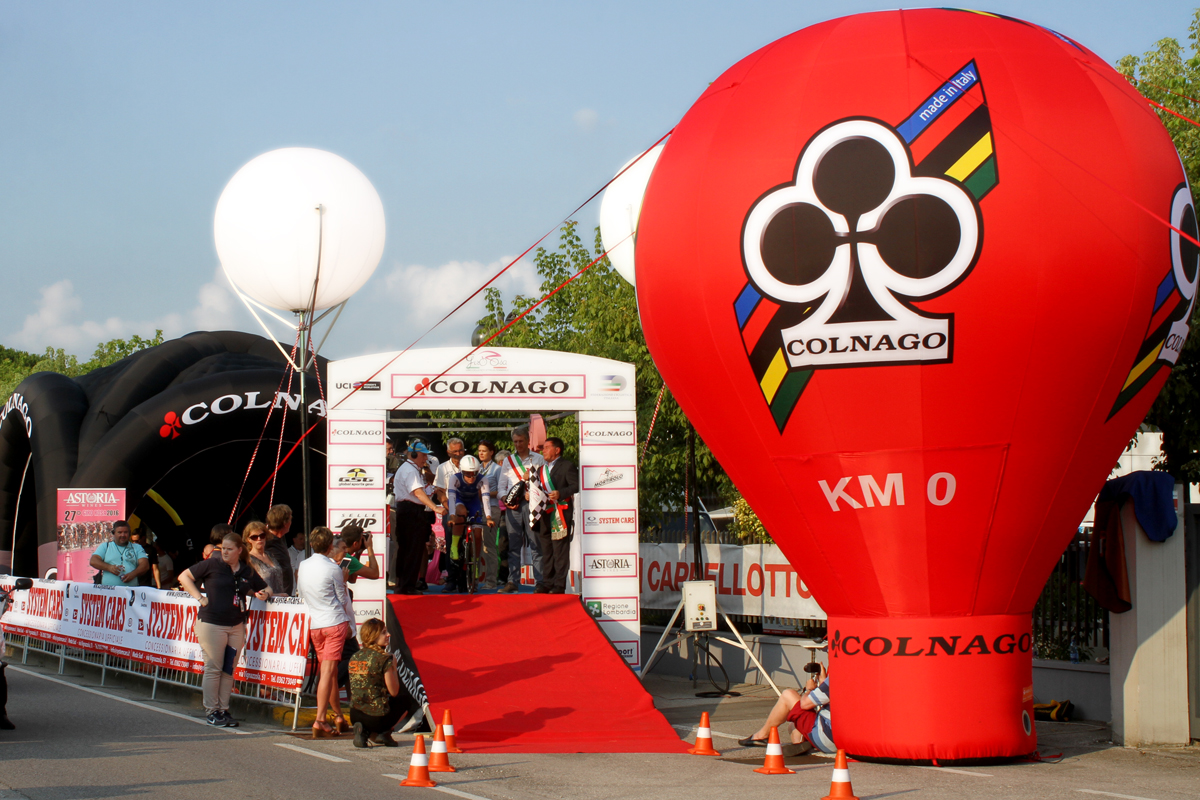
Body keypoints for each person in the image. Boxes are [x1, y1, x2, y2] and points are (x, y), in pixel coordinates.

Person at [177, 531, 271, 727]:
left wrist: (265, 593)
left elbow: (264, 587)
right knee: (214, 667)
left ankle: (223, 709)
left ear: (239, 550)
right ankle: (212, 710)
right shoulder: (212, 564)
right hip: (212, 623)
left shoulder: (245, 570)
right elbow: (184, 576)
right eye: (223, 549)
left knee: (229, 669)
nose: (225, 552)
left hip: (236, 624)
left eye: (229, 549)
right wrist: (200, 598)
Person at [297, 526, 355, 738]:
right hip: (333, 622)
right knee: (328, 673)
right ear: (330, 546)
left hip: (316, 624)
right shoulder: (333, 568)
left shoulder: (303, 565)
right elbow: (342, 599)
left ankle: (338, 716)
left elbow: (301, 593)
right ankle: (320, 719)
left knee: (329, 673)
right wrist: (349, 623)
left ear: (312, 544)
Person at [738, 663, 833, 752]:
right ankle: (801, 744)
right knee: (793, 725)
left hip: (827, 737)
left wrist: (809, 690)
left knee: (788, 695)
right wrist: (823, 683)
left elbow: (805, 704)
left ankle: (761, 736)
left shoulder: (834, 679)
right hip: (840, 739)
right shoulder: (840, 678)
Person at [391, 443, 445, 595]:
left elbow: (422, 491)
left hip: (410, 510)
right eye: (424, 455)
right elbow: (418, 493)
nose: (426, 458)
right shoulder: (410, 470)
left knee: (410, 549)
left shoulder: (412, 469)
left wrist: (433, 488)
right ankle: (407, 586)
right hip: (411, 511)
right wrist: (435, 507)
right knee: (411, 550)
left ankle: (404, 584)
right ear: (414, 455)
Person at [497, 426, 545, 593]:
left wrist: (534, 493)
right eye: (515, 442)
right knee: (513, 545)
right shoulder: (508, 461)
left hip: (533, 506)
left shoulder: (539, 459)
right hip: (514, 507)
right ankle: (512, 582)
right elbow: (501, 487)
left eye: (521, 441)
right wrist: (506, 500)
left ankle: (540, 582)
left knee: (536, 544)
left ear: (528, 441)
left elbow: (544, 484)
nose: (518, 444)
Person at [347, 617, 404, 747]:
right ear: (373, 636)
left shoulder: (355, 656)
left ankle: (364, 732)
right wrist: (394, 666)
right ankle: (384, 732)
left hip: (355, 714)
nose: (388, 635)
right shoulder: (383, 659)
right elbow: (394, 691)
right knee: (405, 699)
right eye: (384, 632)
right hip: (376, 717)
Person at [533, 437, 579, 594]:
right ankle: (547, 582)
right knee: (546, 550)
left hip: (561, 512)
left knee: (560, 550)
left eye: (547, 447)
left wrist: (561, 493)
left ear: (557, 450)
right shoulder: (541, 470)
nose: (543, 451)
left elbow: (576, 485)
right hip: (545, 512)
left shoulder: (567, 466)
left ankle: (559, 585)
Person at [444, 454, 494, 593]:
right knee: (461, 512)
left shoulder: (483, 479)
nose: (471, 477)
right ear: (462, 471)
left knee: (478, 534)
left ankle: (475, 563)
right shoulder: (454, 478)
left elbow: (485, 499)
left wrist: (488, 517)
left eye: (474, 474)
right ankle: (454, 545)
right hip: (458, 501)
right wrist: (452, 516)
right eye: (467, 474)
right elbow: (451, 497)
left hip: (473, 503)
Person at [89, 520, 149, 586]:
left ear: (129, 533)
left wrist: (133, 574)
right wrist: (109, 567)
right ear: (114, 533)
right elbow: (93, 561)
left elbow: (145, 565)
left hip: (130, 590)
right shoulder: (106, 546)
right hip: (109, 590)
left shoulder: (137, 547)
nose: (123, 535)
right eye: (119, 532)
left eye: (125, 532)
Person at [475, 440, 501, 590]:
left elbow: (502, 490)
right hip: (476, 509)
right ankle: (475, 579)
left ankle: (491, 581)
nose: (481, 453)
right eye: (479, 451)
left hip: (491, 508)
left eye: (484, 450)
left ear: (491, 452)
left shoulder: (497, 469)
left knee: (489, 546)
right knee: (476, 545)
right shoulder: (475, 468)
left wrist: (485, 494)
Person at [243, 521, 287, 595]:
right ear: (248, 539)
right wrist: (276, 595)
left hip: (280, 600)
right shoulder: (248, 560)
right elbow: (250, 589)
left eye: (262, 536)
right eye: (254, 537)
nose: (259, 539)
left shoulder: (271, 555)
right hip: (262, 600)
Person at [264, 504, 296, 596]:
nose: (291, 522)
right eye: (290, 519)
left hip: (284, 595)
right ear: (285, 523)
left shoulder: (280, 537)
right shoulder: (267, 542)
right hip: (274, 596)